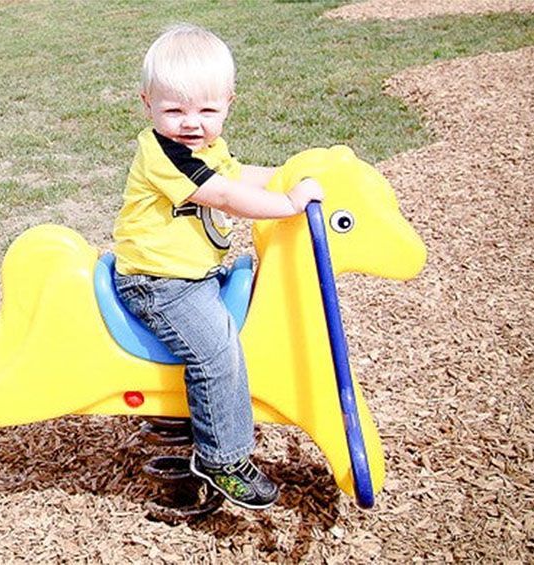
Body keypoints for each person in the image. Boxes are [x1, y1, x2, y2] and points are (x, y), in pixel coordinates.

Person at [112, 23, 324, 510]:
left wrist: (289, 176)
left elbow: (237, 174)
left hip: (191, 276)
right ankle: (222, 458)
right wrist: (288, 203)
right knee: (215, 352)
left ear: (229, 103)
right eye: (174, 110)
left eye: (207, 110)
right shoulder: (165, 153)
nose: (191, 123)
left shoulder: (206, 149)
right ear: (147, 105)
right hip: (159, 284)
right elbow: (224, 194)